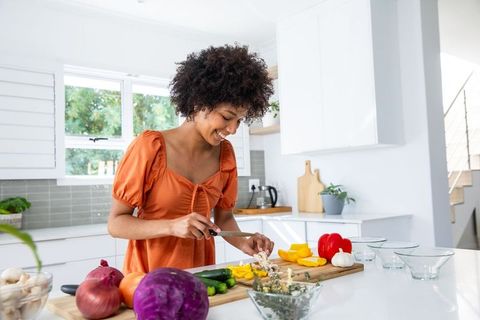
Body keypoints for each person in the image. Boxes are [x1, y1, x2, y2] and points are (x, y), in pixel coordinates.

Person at [108, 44, 275, 273]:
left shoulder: (225, 156)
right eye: (227, 117)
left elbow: (224, 218)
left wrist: (244, 242)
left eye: (240, 120)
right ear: (198, 103)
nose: (233, 129)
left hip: (201, 278)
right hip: (148, 280)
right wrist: (172, 226)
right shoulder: (150, 148)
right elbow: (116, 223)